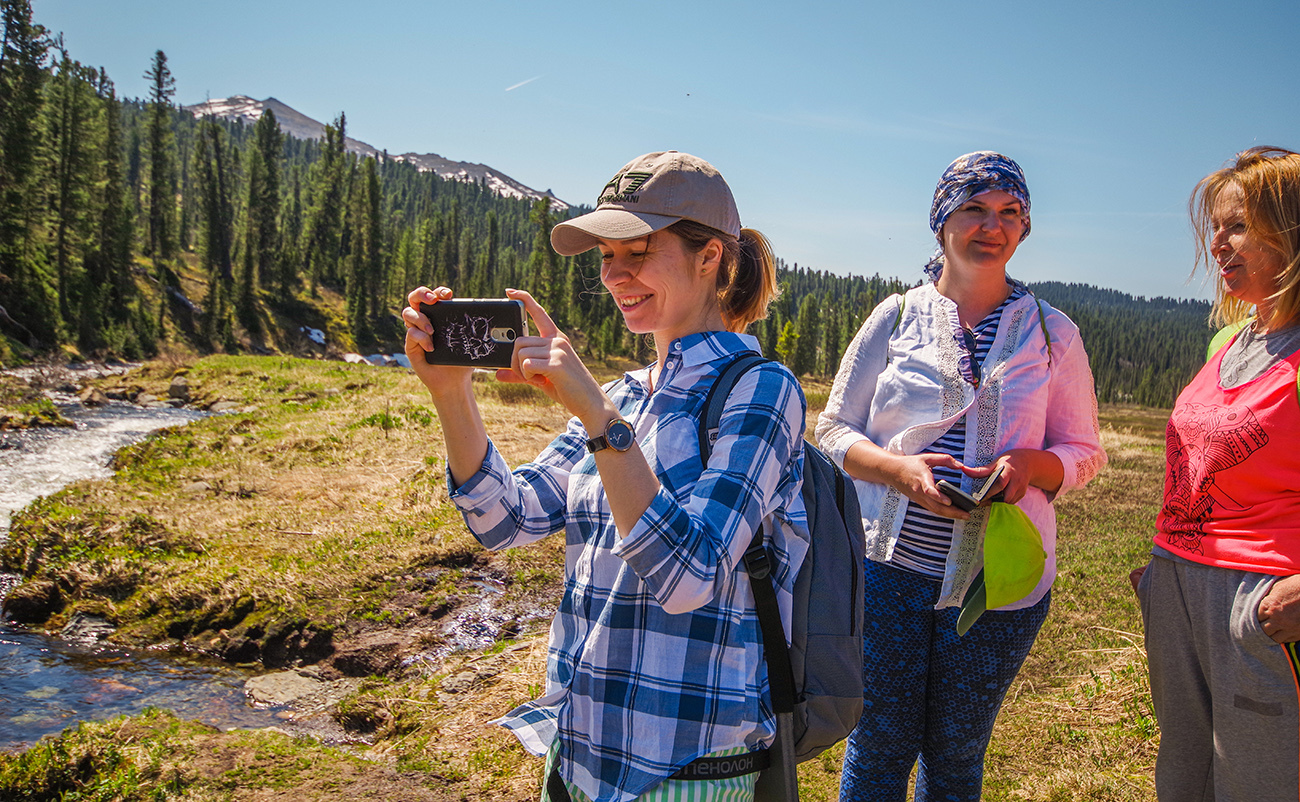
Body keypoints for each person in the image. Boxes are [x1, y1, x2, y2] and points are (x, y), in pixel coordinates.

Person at [402, 151, 809, 802]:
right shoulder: (626, 395)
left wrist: (596, 415)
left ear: (711, 256)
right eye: (604, 257)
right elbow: (504, 518)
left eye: (638, 251)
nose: (616, 275)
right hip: (579, 750)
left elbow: (690, 576)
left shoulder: (761, 391)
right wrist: (452, 394)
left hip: (686, 768)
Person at [816, 151, 1106, 801]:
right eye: (974, 208)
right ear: (942, 219)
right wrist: (898, 470)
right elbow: (832, 429)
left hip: (997, 584)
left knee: (955, 755)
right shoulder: (893, 318)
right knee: (879, 745)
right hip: (885, 573)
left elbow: (1086, 449)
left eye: (1010, 213)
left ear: (1024, 228)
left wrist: (1033, 468)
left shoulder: (1053, 334)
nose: (991, 226)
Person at [1135, 146, 1300, 802]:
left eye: (1238, 225)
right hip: (1178, 588)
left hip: (1256, 605)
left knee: (1258, 785)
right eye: (1216, 226)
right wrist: (1162, 578)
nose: (1218, 242)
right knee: (1183, 778)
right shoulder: (1226, 342)